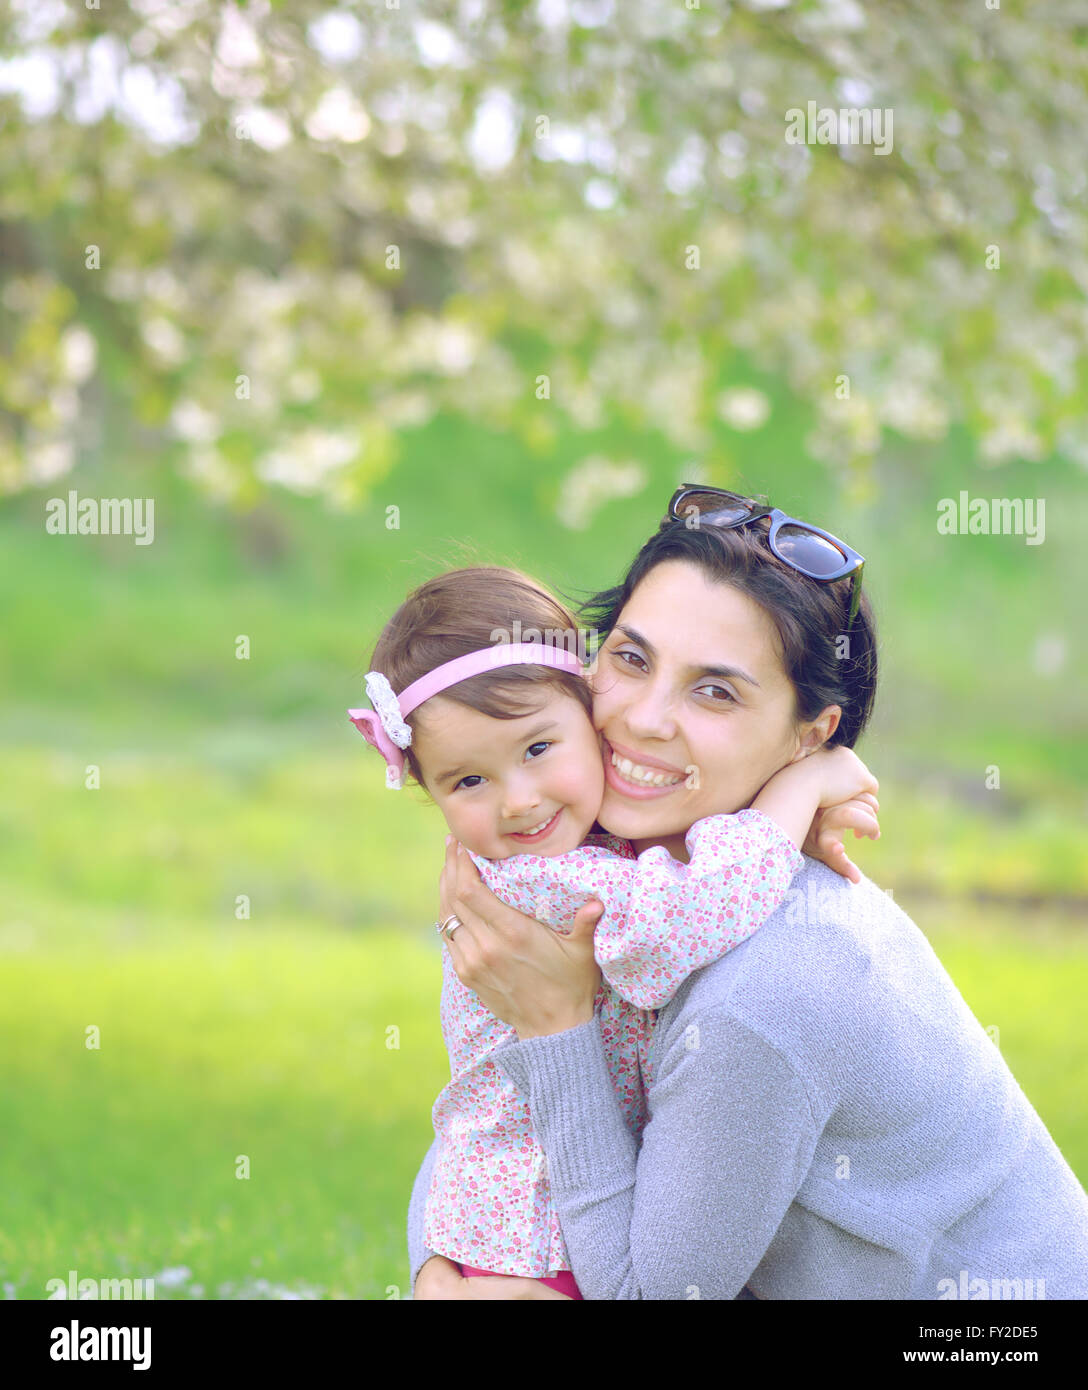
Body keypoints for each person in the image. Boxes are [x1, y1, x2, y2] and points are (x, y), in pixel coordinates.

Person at [409, 485, 1088, 1299]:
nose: (646, 720)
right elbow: (497, 1123)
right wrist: (444, 1269)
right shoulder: (618, 873)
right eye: (630, 659)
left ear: (810, 737)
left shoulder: (767, 983)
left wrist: (556, 1025)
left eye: (716, 691)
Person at [351, 563, 878, 1298]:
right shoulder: (542, 880)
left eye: (539, 749)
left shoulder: (585, 845)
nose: (519, 802)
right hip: (539, 1236)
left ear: (583, 709)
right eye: (467, 781)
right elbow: (695, 910)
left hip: (522, 1213)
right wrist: (800, 792)